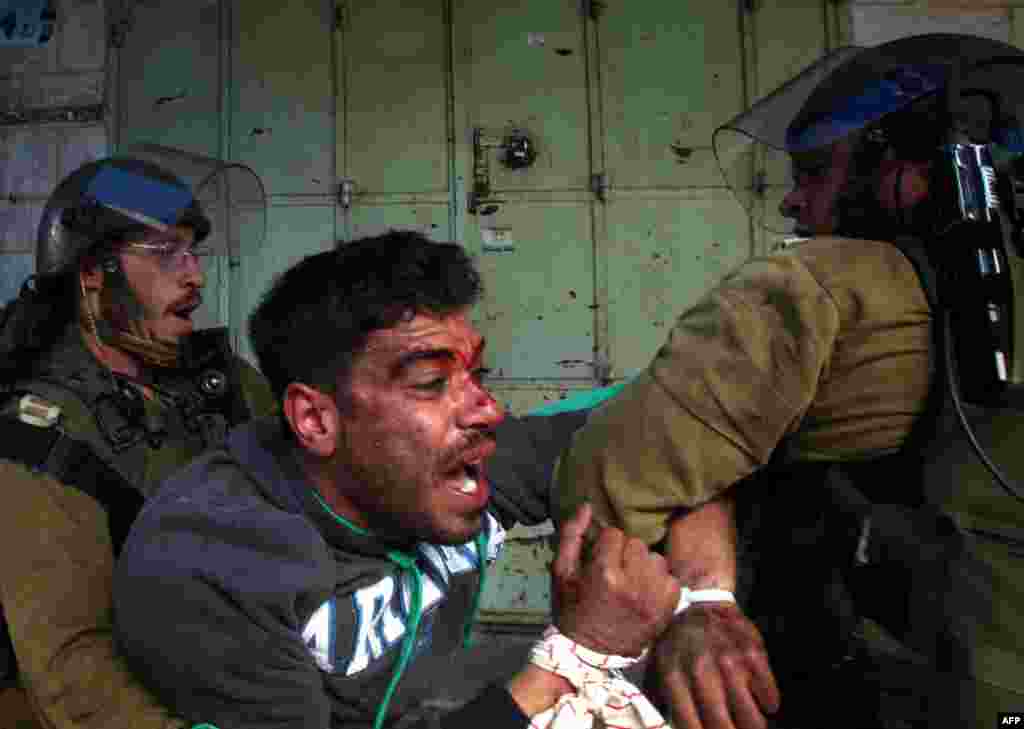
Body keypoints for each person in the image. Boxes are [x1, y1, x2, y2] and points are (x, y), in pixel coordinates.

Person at [554, 33, 1024, 729]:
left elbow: (605, 484)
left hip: (866, 693)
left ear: (899, 174)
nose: (794, 203)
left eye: (813, 173)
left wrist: (696, 604)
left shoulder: (813, 293)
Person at [112, 230, 686, 729]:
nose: (487, 411)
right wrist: (573, 659)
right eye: (431, 384)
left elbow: (677, 421)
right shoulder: (208, 568)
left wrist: (710, 596)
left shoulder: (456, 464)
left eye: (475, 374)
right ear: (316, 419)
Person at [0, 156, 277, 729]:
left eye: (192, 251)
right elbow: (74, 673)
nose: (195, 274)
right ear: (93, 274)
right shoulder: (41, 437)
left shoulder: (215, 384)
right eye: (165, 253)